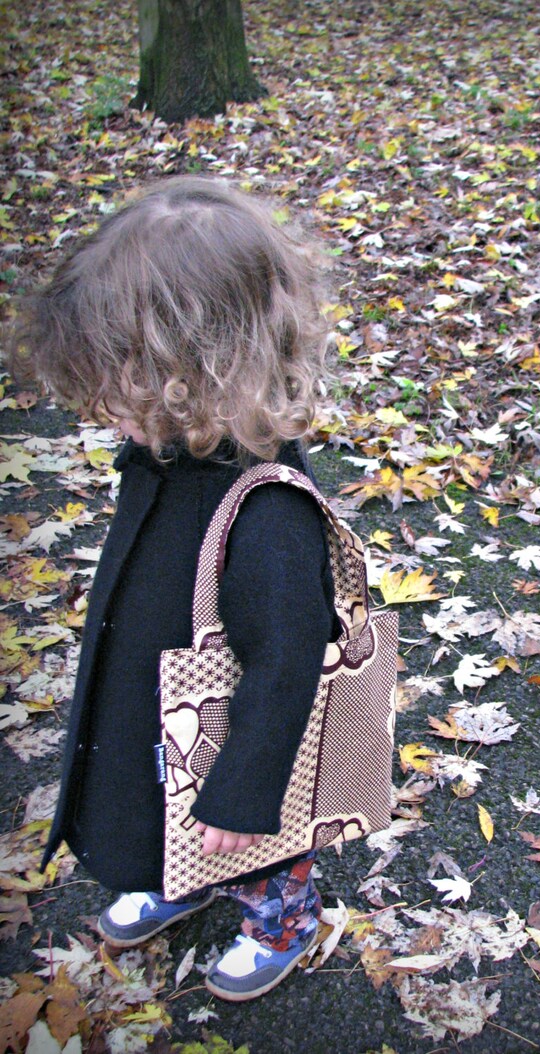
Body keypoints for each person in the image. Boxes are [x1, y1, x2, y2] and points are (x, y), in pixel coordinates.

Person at [7, 177, 338, 1001]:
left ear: (198, 371)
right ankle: (170, 873)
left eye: (113, 386)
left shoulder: (266, 512)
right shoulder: (168, 452)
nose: (96, 408)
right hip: (158, 703)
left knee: (250, 846)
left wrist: (243, 789)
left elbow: (286, 664)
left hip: (228, 741)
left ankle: (282, 921)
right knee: (154, 802)